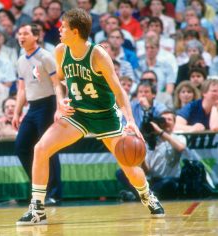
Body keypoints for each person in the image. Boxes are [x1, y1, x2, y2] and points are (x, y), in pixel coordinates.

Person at [16, 8, 164, 226]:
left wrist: (130, 120)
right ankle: (37, 208)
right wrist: (60, 102)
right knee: (40, 148)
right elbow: (59, 80)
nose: (59, 29)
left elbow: (119, 91)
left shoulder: (98, 54)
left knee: (128, 163)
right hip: (78, 113)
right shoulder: (60, 50)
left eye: (63, 27)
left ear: (75, 31)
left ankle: (146, 194)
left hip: (105, 115)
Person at [13, 23, 62, 205]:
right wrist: (17, 113)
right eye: (19, 34)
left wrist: (59, 107)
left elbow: (57, 84)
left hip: (48, 105)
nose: (21, 37)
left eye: (25, 33)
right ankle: (39, 186)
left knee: (48, 149)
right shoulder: (20, 60)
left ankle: (54, 193)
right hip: (32, 108)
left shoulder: (46, 57)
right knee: (21, 147)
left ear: (36, 36)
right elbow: (22, 89)